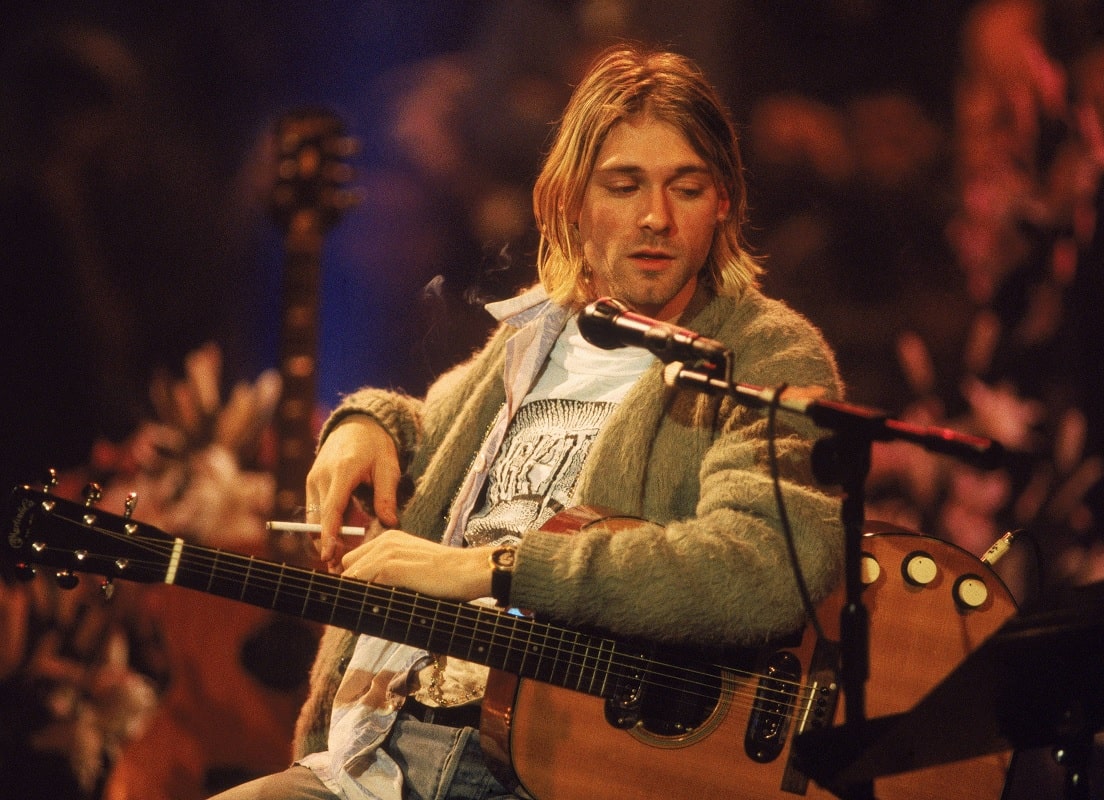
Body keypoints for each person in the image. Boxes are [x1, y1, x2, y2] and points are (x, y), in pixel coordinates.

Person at [211, 43, 845, 800]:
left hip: (547, 769)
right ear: (573, 201)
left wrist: (498, 568)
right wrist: (366, 423)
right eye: (624, 185)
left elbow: (764, 566)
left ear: (725, 203)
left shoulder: (764, 351)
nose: (655, 217)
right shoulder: (538, 331)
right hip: (372, 751)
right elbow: (428, 430)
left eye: (686, 187)